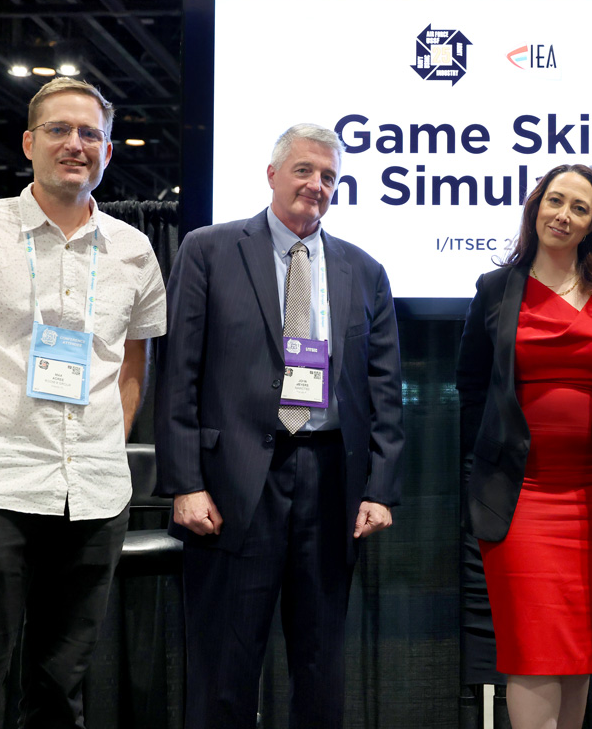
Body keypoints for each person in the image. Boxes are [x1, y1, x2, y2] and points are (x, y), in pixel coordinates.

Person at [0, 76, 166, 728]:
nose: (76, 144)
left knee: (58, 695)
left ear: (107, 150)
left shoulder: (133, 251)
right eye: (59, 130)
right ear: (28, 143)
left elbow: (133, 363)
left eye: (90, 133)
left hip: (93, 500)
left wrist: (106, 441)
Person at [154, 123, 403, 729]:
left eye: (329, 178)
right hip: (233, 485)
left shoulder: (363, 270)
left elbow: (384, 389)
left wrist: (378, 488)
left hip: (329, 482)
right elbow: (178, 372)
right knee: (224, 668)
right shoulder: (209, 250)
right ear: (272, 175)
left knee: (321, 668)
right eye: (304, 171)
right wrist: (185, 482)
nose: (316, 186)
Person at [456, 163, 592, 729]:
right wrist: (485, 460)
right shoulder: (495, 288)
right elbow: (470, 385)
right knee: (534, 653)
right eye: (554, 200)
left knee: (580, 655)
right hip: (521, 500)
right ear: (536, 205)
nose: (563, 215)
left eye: (580, 208)